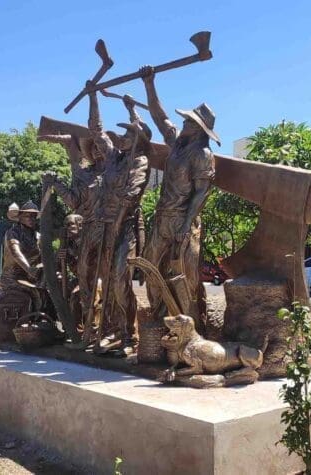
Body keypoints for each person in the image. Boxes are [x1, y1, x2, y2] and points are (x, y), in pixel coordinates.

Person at [139, 66, 218, 330]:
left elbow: (201, 192)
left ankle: (189, 328)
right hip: (163, 219)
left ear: (197, 128)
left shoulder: (203, 153)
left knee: (185, 277)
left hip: (185, 223)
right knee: (151, 269)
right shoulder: (176, 144)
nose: (182, 123)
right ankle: (158, 319)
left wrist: (186, 225)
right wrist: (149, 83)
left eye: (188, 121)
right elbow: (159, 117)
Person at [85, 86, 151, 353]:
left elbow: (131, 196)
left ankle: (129, 336)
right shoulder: (113, 159)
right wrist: (93, 96)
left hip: (125, 228)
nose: (122, 137)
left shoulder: (140, 162)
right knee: (106, 280)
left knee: (120, 280)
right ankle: (112, 330)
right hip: (105, 226)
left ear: (137, 140)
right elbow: (96, 131)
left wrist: (115, 227)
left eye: (128, 134)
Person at [0, 201, 43, 312]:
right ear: (20, 217)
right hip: (12, 278)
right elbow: (16, 253)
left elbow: (44, 257)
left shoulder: (38, 237)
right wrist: (29, 269)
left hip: (31, 278)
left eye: (34, 216)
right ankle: (30, 321)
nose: (32, 219)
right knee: (34, 292)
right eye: (28, 216)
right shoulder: (13, 233)